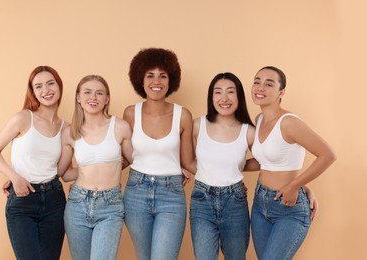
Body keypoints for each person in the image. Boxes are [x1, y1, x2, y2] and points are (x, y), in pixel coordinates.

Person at [250, 66, 336, 259]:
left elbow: (328, 155)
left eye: (268, 84)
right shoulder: (260, 119)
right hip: (260, 203)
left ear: (282, 92)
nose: (260, 87)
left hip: (289, 208)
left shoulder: (289, 123)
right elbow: (266, 162)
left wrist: (295, 185)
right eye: (257, 81)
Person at [0, 66, 67, 260]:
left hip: (55, 200)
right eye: (38, 86)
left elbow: (62, 170)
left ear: (59, 86)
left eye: (50, 83)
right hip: (23, 200)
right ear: (33, 92)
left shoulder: (67, 128)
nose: (46, 90)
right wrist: (14, 177)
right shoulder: (23, 118)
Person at [122, 47, 195, 260]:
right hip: (136, 192)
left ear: (171, 80)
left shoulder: (183, 116)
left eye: (163, 76)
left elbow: (189, 161)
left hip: (171, 194)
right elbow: (124, 157)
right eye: (150, 75)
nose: (157, 81)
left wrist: (227, 180)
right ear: (141, 80)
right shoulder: (130, 113)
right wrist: (86, 178)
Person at [57, 75, 133, 260]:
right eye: (87, 92)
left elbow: (135, 160)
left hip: (111, 205)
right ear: (78, 97)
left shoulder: (120, 127)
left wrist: (176, 167)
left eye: (99, 93)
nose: (93, 97)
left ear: (107, 99)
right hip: (78, 203)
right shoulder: (69, 133)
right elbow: (63, 174)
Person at [189, 72, 255, 260]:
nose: (224, 98)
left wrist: (236, 167)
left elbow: (270, 160)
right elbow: (184, 158)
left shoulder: (248, 131)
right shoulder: (197, 125)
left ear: (239, 96)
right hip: (201, 200)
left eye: (230, 92)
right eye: (218, 92)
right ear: (211, 97)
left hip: (235, 201)